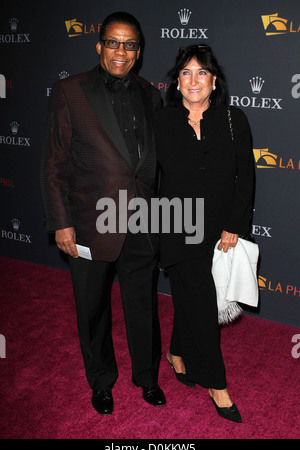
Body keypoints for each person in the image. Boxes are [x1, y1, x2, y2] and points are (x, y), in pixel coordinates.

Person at [40, 11, 166, 416]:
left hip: (142, 221)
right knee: (92, 307)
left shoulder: (151, 93)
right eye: (113, 42)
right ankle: (101, 381)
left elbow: (154, 161)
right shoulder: (70, 90)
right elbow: (54, 163)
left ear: (138, 51)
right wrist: (61, 222)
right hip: (89, 222)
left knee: (142, 304)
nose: (120, 51)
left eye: (129, 44)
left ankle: (147, 377)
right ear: (99, 45)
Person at [153, 44, 254, 423]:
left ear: (214, 80)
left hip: (219, 227)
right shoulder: (161, 121)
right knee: (199, 298)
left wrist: (235, 225)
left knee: (192, 298)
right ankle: (216, 383)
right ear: (176, 82)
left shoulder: (233, 119)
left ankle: (177, 351)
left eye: (202, 73)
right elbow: (148, 177)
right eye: (186, 73)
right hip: (177, 226)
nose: (194, 80)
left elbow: (245, 177)